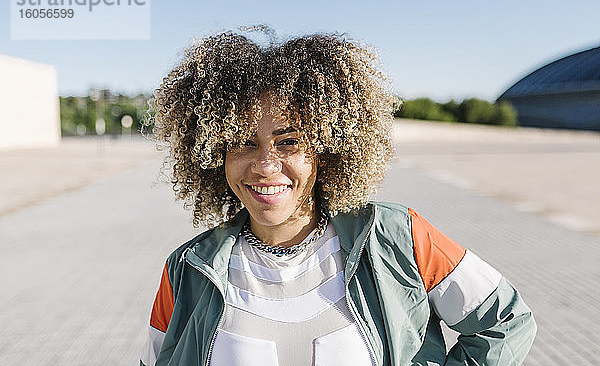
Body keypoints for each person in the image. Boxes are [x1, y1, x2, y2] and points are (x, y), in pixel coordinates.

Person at [140, 28, 536, 366]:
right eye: (241, 143)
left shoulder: (400, 236)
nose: (264, 165)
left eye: (289, 142)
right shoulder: (186, 269)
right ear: (213, 153)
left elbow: (505, 321)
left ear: (326, 149)